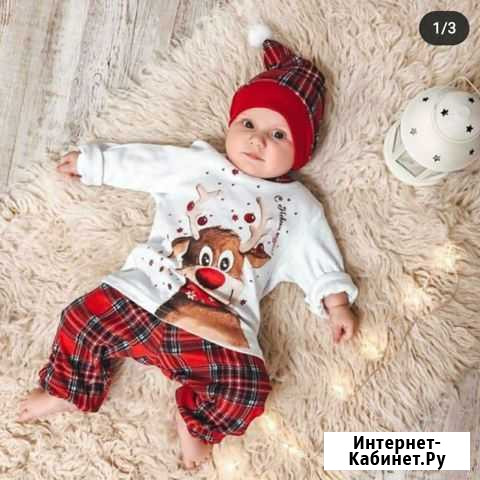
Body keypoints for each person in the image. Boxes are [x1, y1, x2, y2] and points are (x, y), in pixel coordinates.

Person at [17, 23, 359, 470]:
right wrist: (95, 163)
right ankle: (70, 389)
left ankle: (194, 422)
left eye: (279, 135)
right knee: (81, 320)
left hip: (218, 329)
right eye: (249, 124)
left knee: (248, 390)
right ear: (231, 124)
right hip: (146, 292)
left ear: (301, 153)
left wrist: (336, 304)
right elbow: (146, 163)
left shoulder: (298, 206)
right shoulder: (200, 164)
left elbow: (320, 258)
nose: (257, 139)